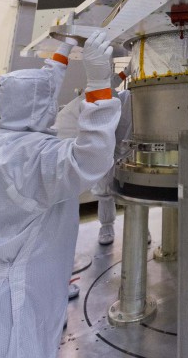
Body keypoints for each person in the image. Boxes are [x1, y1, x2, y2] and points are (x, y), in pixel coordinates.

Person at [0, 30, 121, 358]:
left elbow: (39, 90)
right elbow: (92, 157)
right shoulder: (33, 158)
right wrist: (99, 83)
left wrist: (65, 44)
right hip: (14, 297)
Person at [55, 63, 143, 246]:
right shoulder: (87, 103)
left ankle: (141, 230)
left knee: (135, 191)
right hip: (101, 153)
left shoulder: (126, 100)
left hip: (124, 151)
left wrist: (126, 72)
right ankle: (107, 227)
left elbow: (111, 83)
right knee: (104, 192)